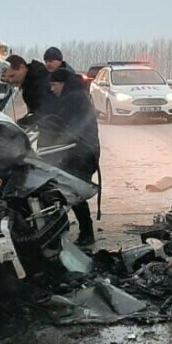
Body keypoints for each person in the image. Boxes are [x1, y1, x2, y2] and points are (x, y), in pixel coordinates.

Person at [37, 67, 100, 246]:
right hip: (82, 151)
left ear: (64, 83)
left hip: (82, 153)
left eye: (54, 85)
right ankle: (78, 231)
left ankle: (84, 234)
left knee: (73, 192)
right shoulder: (76, 96)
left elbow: (64, 125)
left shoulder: (73, 99)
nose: (52, 89)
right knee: (71, 191)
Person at [1, 54, 51, 126]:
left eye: (12, 76)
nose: (11, 81)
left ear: (22, 68)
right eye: (8, 78)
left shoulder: (39, 83)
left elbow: (45, 111)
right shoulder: (29, 83)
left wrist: (25, 122)